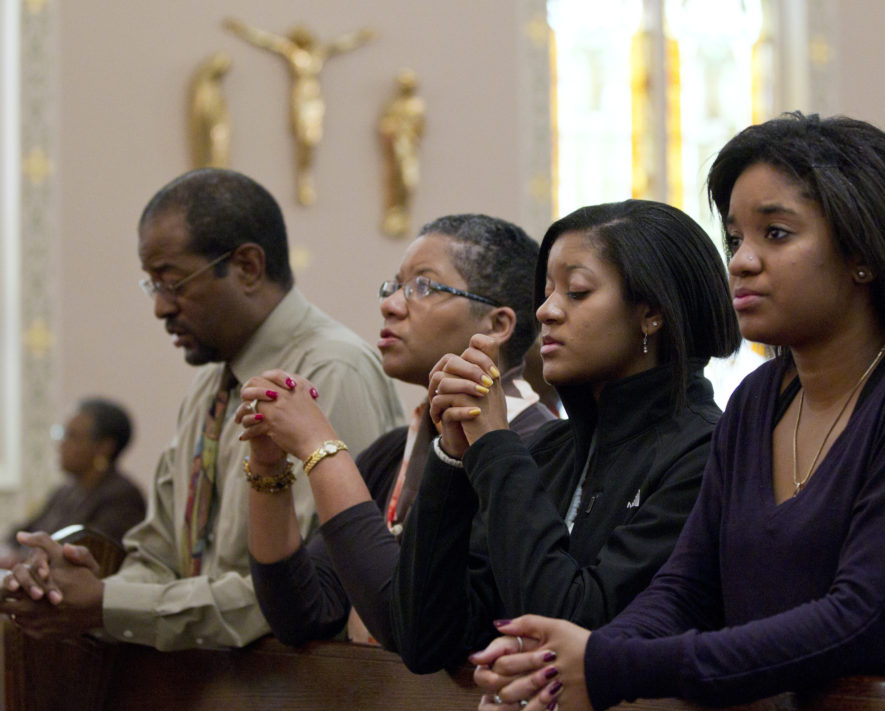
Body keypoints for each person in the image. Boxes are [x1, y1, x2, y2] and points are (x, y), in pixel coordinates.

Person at [472, 113, 885, 711]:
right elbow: (685, 589)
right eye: (735, 239)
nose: (742, 262)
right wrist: (579, 657)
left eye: (775, 234)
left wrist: (614, 664)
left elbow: (861, 620)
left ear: (863, 254)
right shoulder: (757, 401)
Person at [0, 168, 403, 650]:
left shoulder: (333, 372)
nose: (160, 308)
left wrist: (108, 604)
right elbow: (159, 556)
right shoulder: (209, 386)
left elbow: (311, 591)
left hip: (302, 695)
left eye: (173, 283)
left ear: (248, 267)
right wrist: (72, 591)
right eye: (152, 287)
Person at [386, 199, 741, 674]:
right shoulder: (547, 450)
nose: (547, 312)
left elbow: (574, 627)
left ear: (651, 312)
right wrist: (453, 456)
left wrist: (495, 444)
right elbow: (426, 639)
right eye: (547, 291)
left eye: (576, 291)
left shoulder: (706, 456)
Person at [241, 214, 553, 646]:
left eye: (423, 286)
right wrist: (268, 466)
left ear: (497, 326)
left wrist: (320, 446)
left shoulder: (539, 451)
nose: (390, 304)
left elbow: (407, 624)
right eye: (394, 286)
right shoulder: (390, 454)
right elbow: (303, 614)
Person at [223, 17, 377, 206]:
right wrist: (241, 29)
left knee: (312, 138)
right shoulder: (292, 53)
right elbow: (266, 41)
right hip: (300, 99)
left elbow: (340, 45)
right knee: (302, 137)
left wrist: (361, 36)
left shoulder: (318, 54)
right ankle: (302, 179)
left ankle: (307, 177)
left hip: (315, 100)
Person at [1, 398, 144, 568]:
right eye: (61, 433)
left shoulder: (122, 497)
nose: (61, 444)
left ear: (104, 447)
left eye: (71, 436)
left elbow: (83, 554)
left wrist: (21, 558)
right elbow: (19, 534)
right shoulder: (64, 491)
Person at [378, 69, 426, 237]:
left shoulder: (417, 106)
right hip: (397, 148)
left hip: (408, 149)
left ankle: (404, 214)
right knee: (395, 179)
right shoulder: (394, 106)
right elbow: (385, 125)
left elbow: (420, 128)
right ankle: (394, 214)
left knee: (409, 180)